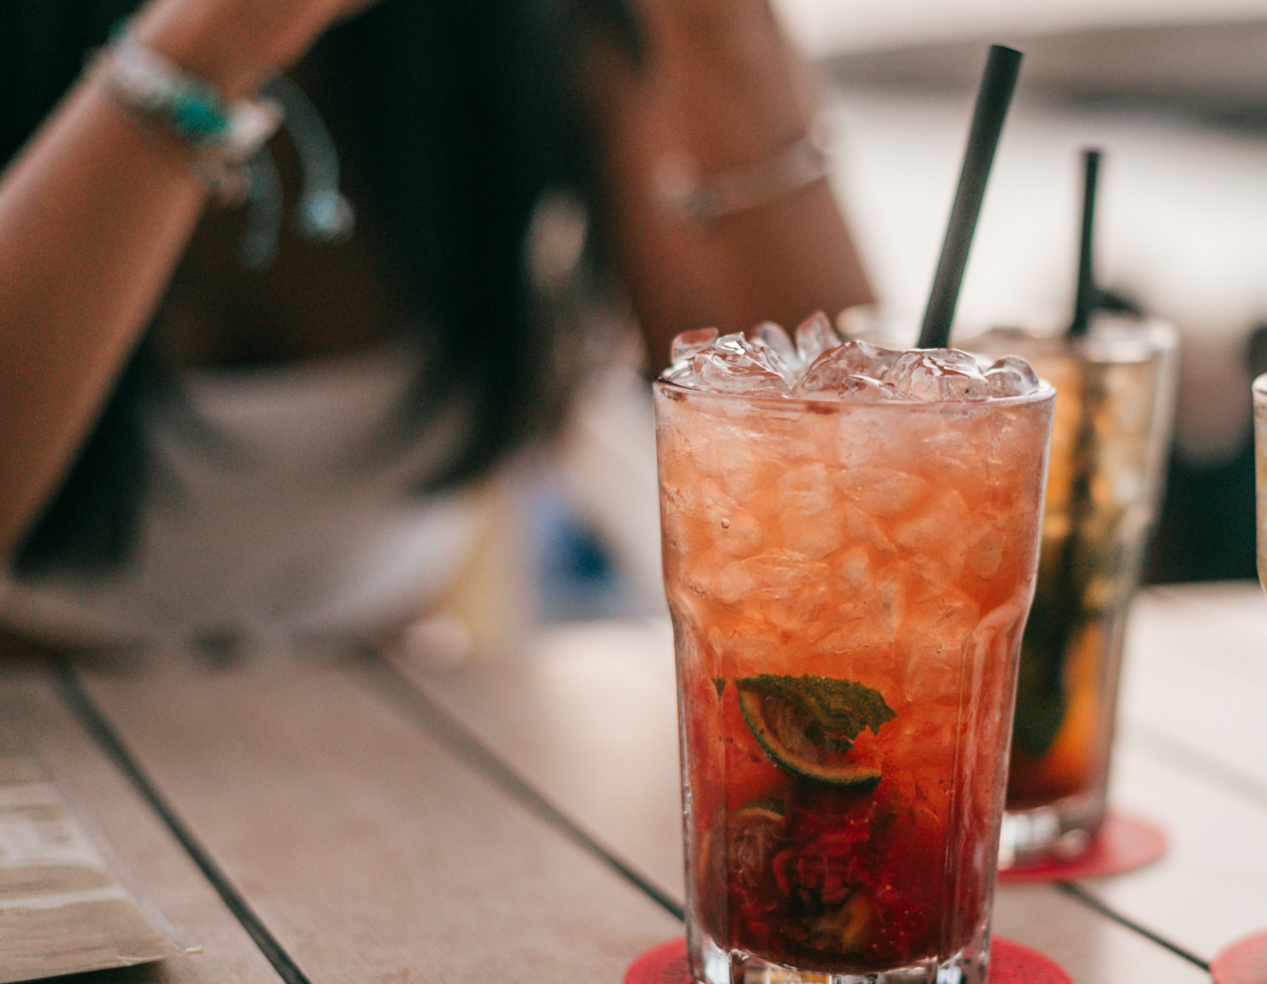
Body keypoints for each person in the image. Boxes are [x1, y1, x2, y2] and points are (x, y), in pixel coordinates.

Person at [0, 0, 872, 661]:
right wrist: (205, 45)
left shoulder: (537, 35)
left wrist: (727, 34)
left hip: (392, 752)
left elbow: (842, 498)